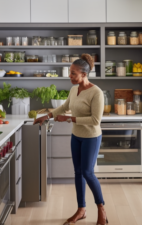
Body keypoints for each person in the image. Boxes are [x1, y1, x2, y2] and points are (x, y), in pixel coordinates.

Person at [34, 54, 108, 225]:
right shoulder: (74, 90)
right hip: (77, 136)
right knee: (78, 173)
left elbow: (96, 120)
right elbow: (65, 107)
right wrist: (46, 116)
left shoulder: (96, 93)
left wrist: (69, 119)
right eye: (70, 72)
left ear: (84, 74)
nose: (70, 76)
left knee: (88, 172)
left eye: (73, 73)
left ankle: (101, 208)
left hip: (91, 137)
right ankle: (81, 209)